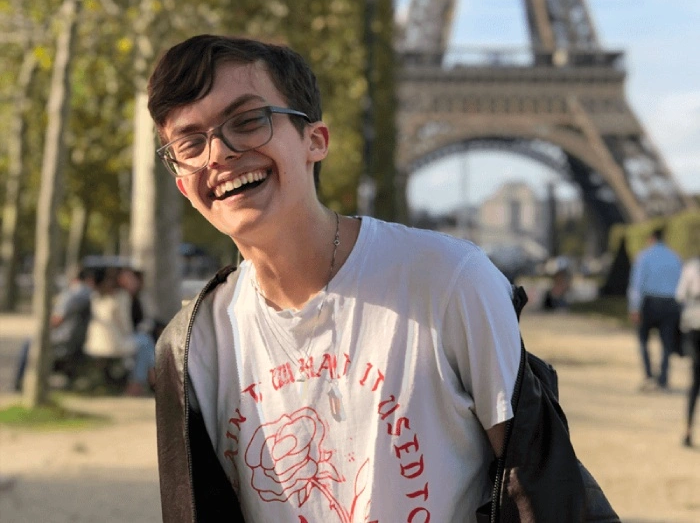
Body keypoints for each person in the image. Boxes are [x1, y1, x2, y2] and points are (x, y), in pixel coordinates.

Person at [148, 35, 617, 522]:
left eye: (248, 121)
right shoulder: (193, 346)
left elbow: (540, 494)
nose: (219, 153)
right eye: (190, 142)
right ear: (182, 182)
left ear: (316, 140)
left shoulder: (450, 282)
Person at [14, 266, 97, 391]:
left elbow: (57, 319)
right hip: (79, 341)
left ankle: (20, 383)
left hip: (65, 340)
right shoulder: (91, 294)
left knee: (29, 344)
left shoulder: (73, 294)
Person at [83, 267, 156, 396]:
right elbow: (125, 326)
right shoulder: (122, 297)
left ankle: (147, 379)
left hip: (93, 343)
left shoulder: (97, 295)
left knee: (145, 343)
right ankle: (141, 382)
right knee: (145, 342)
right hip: (114, 343)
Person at [627, 228, 683, 391]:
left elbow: (637, 285)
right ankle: (663, 378)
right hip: (671, 303)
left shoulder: (644, 256)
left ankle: (649, 375)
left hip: (650, 303)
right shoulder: (675, 257)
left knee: (644, 340)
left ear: (651, 238)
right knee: (666, 343)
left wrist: (634, 307)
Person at [676, 255, 700, 447]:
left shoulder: (692, 267)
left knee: (695, 381)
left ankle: (688, 430)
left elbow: (680, 295)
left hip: (694, 327)